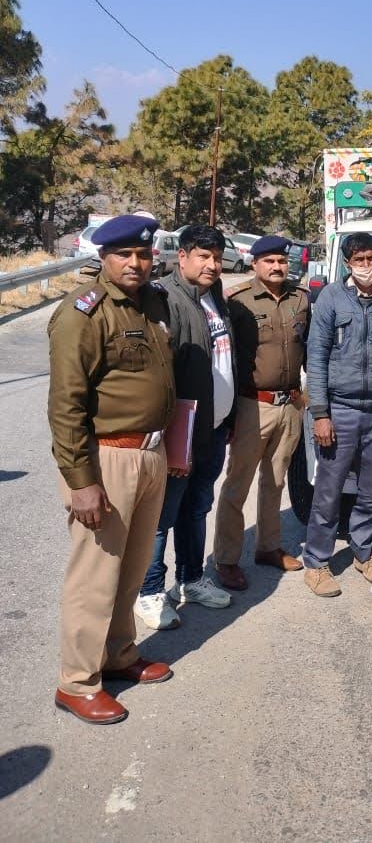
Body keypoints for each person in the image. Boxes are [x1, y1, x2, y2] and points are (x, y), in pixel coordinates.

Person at [48, 214, 175, 724]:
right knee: (95, 574)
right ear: (103, 256)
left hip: (151, 454)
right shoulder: (83, 313)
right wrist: (82, 481)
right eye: (124, 254)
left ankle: (119, 655)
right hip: (107, 457)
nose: (135, 263)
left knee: (132, 566)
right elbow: (66, 404)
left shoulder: (154, 303)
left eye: (143, 254)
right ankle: (77, 682)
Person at [303, 231, 372, 597]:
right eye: (359, 260)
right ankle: (317, 563)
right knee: (328, 490)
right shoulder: (331, 299)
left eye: (371, 259)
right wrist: (321, 413)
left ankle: (363, 552)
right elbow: (316, 359)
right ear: (347, 263)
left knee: (371, 491)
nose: (366, 266)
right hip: (340, 410)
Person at [135, 224, 237, 628]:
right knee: (162, 516)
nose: (212, 264)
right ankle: (149, 591)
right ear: (183, 257)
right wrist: (173, 440)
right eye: (203, 257)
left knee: (197, 509)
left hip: (213, 429)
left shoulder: (214, 295)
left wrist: (227, 418)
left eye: (216, 257)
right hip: (182, 432)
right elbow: (160, 374)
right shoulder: (166, 299)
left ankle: (191, 580)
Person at [213, 236, 310, 590]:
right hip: (252, 405)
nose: (277, 267)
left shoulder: (301, 299)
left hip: (290, 405)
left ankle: (268, 547)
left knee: (276, 481)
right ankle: (226, 559)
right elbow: (224, 354)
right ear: (254, 264)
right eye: (268, 261)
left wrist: (308, 396)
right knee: (238, 483)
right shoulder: (237, 301)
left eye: (281, 261)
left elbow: (311, 348)